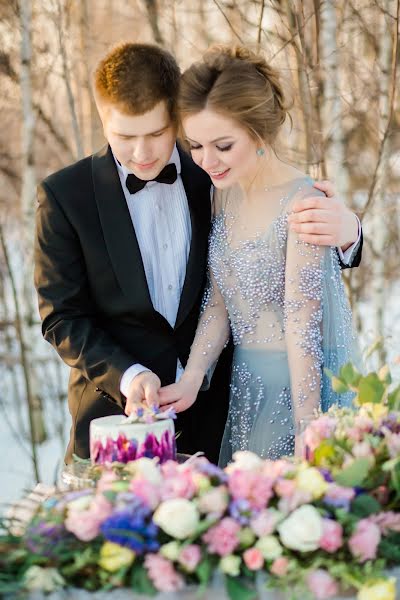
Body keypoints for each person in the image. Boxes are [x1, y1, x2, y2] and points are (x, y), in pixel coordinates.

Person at [34, 43, 362, 465]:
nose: (141, 153)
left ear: (175, 116)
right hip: (118, 423)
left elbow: (297, 303)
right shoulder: (65, 196)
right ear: (102, 121)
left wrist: (351, 231)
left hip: (219, 420)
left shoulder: (210, 176)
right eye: (124, 137)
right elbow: (62, 317)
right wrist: (136, 376)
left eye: (156, 134)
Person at [158, 45, 360, 465]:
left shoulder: (302, 201)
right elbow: (219, 300)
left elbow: (302, 320)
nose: (206, 160)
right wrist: (193, 375)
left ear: (258, 131)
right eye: (195, 145)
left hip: (294, 388)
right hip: (244, 387)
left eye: (223, 145)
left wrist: (309, 429)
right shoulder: (221, 194)